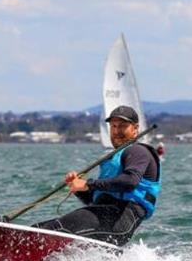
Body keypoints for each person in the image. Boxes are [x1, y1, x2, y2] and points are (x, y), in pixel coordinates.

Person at [33, 105, 161, 247]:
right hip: (104, 216)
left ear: (135, 129)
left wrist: (88, 184)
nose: (117, 131)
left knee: (53, 230)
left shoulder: (138, 151)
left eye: (123, 126)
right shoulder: (112, 159)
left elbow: (130, 181)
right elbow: (93, 201)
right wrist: (78, 189)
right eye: (114, 126)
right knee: (40, 228)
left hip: (121, 217)